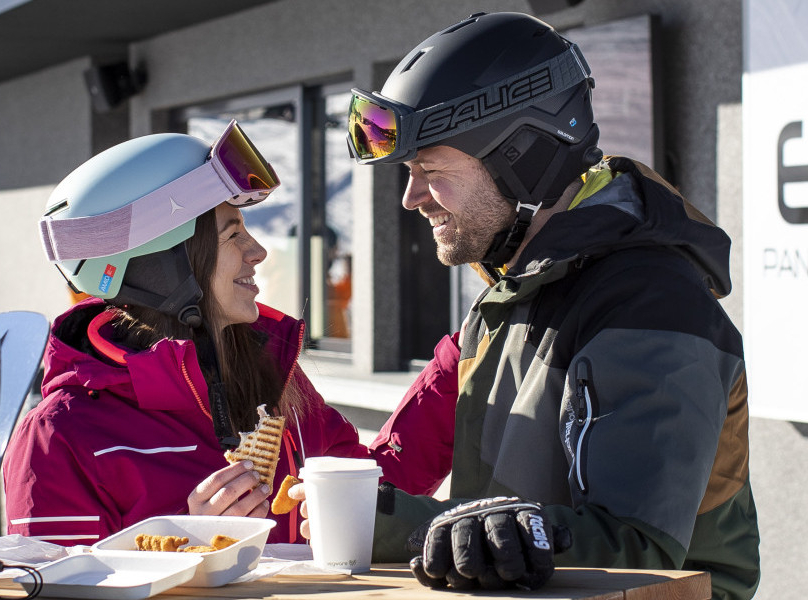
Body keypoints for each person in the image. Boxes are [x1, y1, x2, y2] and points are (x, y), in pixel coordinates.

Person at [300, 11, 760, 599]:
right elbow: (491, 516)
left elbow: (636, 550)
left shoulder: (649, 303)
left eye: (430, 169)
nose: (412, 198)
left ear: (523, 159)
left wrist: (408, 531)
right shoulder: (514, 297)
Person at [3, 122, 370, 545]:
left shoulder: (275, 381)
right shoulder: (60, 438)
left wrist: (454, 365)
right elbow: (57, 587)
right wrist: (188, 555)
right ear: (164, 265)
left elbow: (374, 497)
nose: (259, 251)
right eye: (233, 234)